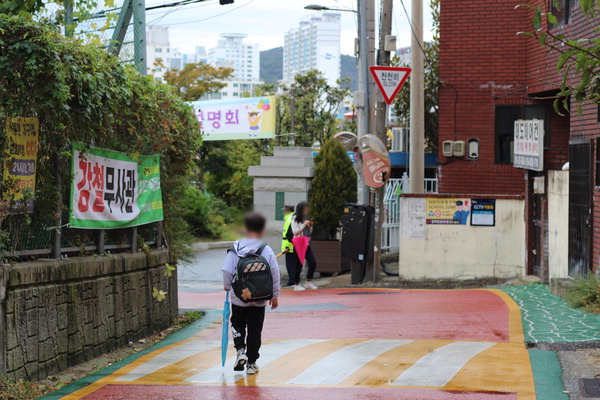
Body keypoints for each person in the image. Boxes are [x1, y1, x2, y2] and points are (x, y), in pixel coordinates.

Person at [222, 212, 280, 375]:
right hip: (260, 297)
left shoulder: (235, 248)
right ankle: (252, 363)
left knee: (237, 323)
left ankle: (240, 350)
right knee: (255, 330)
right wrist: (274, 294)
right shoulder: (265, 249)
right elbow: (274, 272)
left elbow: (227, 270)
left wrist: (228, 286)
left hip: (239, 297)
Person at [291, 201, 318, 291]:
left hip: (306, 242)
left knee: (312, 262)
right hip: (298, 242)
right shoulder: (294, 218)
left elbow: (309, 232)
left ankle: (308, 282)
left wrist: (310, 226)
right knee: (298, 265)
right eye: (305, 208)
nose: (307, 210)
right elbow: (295, 232)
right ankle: (296, 284)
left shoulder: (306, 218)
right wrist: (304, 225)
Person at [281, 205, 297, 287]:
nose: (283, 212)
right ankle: (293, 280)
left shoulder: (289, 219)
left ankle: (292, 281)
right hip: (292, 245)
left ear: (287, 211)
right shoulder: (292, 218)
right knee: (293, 263)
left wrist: (287, 247)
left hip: (290, 247)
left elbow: (289, 234)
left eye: (284, 210)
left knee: (290, 264)